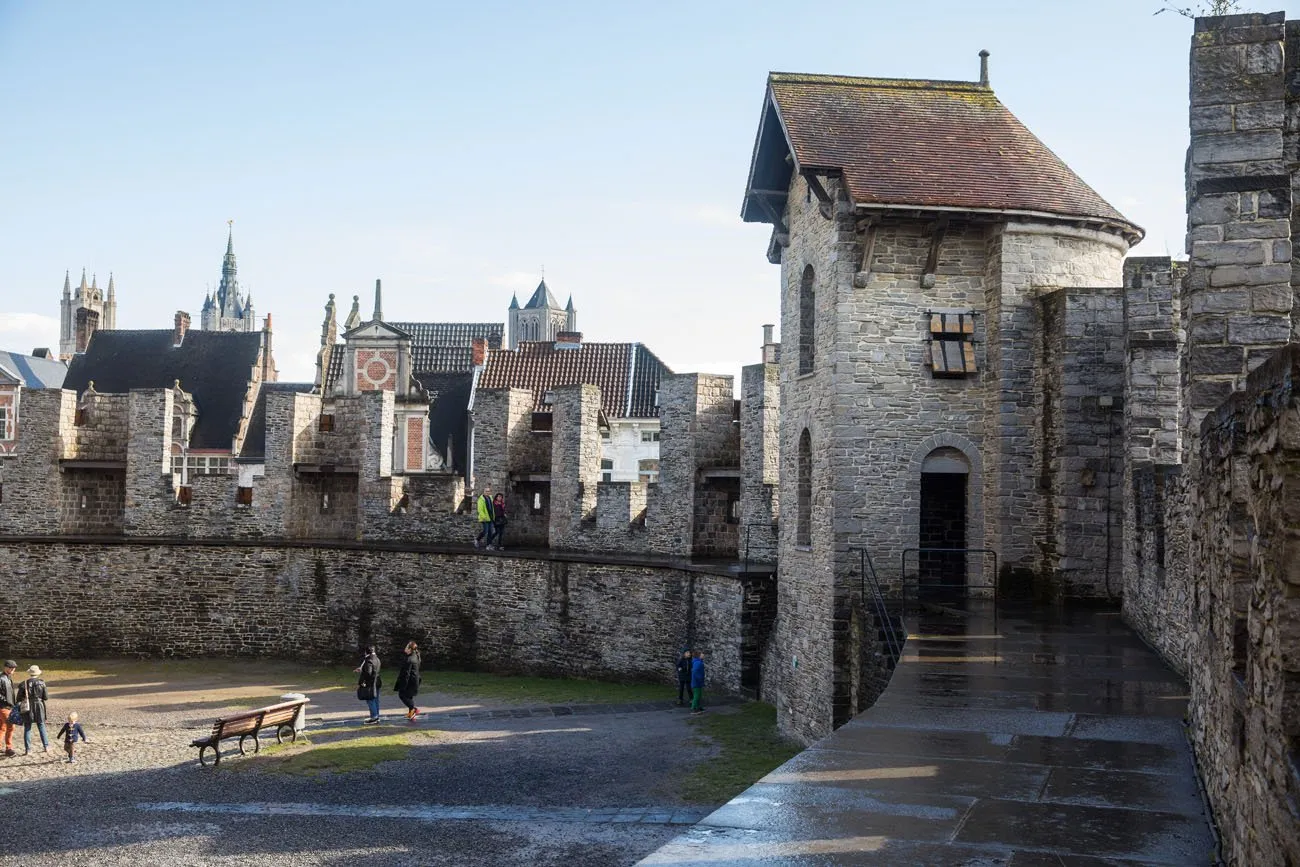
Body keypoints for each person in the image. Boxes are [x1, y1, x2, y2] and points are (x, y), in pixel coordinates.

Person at [18, 664, 49, 753]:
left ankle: (28, 749)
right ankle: (46, 746)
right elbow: (46, 697)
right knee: (41, 725)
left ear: (30, 673)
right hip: (39, 705)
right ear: (38, 673)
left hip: (28, 706)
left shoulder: (23, 684)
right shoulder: (42, 683)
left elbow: (18, 698)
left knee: (27, 727)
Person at [394, 640, 423, 721]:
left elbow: (406, 674)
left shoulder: (409, 659)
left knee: (402, 695)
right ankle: (411, 713)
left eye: (406, 647)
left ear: (410, 649)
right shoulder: (415, 656)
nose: (405, 648)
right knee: (409, 696)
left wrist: (403, 685)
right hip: (414, 680)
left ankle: (414, 709)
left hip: (410, 682)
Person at [354, 646, 382, 725]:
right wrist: (362, 669)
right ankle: (376, 716)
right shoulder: (377, 659)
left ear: (366, 652)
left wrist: (361, 683)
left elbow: (368, 673)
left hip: (370, 683)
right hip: (377, 681)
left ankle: (374, 717)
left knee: (370, 699)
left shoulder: (368, 660)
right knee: (375, 700)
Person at [0, 660, 16, 757]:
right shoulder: (1, 678)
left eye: (14, 668)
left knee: (2, 727)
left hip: (7, 706)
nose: (13, 670)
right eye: (11, 668)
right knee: (10, 726)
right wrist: (6, 701)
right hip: (3, 707)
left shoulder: (8, 677)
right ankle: (8, 748)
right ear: (6, 668)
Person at [689, 651, 705, 715]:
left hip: (697, 681)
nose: (703, 655)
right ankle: (694, 709)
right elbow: (695, 671)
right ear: (699, 655)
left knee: (699, 695)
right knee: (697, 695)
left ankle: (698, 707)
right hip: (697, 682)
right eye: (702, 654)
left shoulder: (698, 662)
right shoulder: (698, 662)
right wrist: (700, 678)